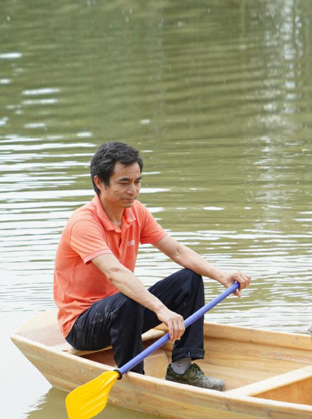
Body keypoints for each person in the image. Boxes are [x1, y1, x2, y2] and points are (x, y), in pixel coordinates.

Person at [54, 141, 251, 390]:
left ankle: (182, 368)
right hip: (82, 326)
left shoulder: (136, 212)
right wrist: (162, 310)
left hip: (123, 312)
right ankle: (136, 379)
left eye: (137, 181)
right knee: (128, 297)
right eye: (124, 182)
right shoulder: (83, 223)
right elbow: (116, 274)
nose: (133, 190)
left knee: (189, 279)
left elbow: (177, 251)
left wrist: (221, 275)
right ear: (99, 182)